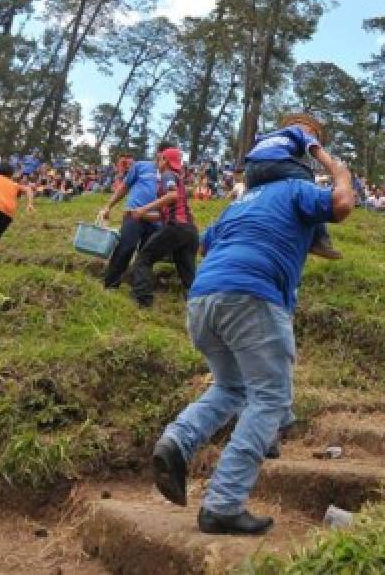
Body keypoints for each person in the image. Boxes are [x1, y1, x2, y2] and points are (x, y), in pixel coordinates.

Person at [151, 139, 354, 535]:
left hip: (203, 299)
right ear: (295, 168)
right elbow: (342, 204)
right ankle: (223, 504)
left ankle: (177, 440)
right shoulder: (296, 190)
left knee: (231, 387)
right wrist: (338, 170)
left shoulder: (238, 203)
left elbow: (207, 242)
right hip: (252, 297)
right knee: (271, 398)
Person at [243, 114, 341, 259]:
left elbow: (255, 152)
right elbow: (317, 151)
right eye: (314, 134)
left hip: (251, 169)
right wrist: (337, 172)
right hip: (276, 162)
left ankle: (251, 230)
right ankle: (319, 239)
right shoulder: (299, 132)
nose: (314, 136)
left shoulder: (267, 136)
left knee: (257, 198)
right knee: (308, 183)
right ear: (308, 129)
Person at [127, 147, 198, 309]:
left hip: (176, 228)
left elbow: (172, 196)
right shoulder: (178, 179)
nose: (157, 163)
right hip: (190, 232)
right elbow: (162, 215)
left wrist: (143, 209)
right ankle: (197, 307)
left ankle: (143, 300)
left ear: (165, 161)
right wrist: (138, 214)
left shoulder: (168, 175)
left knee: (144, 258)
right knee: (188, 274)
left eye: (159, 159)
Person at [96, 157, 162, 289]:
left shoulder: (171, 174)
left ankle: (139, 290)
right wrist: (108, 206)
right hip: (133, 214)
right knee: (125, 248)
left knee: (146, 255)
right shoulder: (141, 166)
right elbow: (124, 187)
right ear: (159, 154)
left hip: (155, 219)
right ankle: (110, 285)